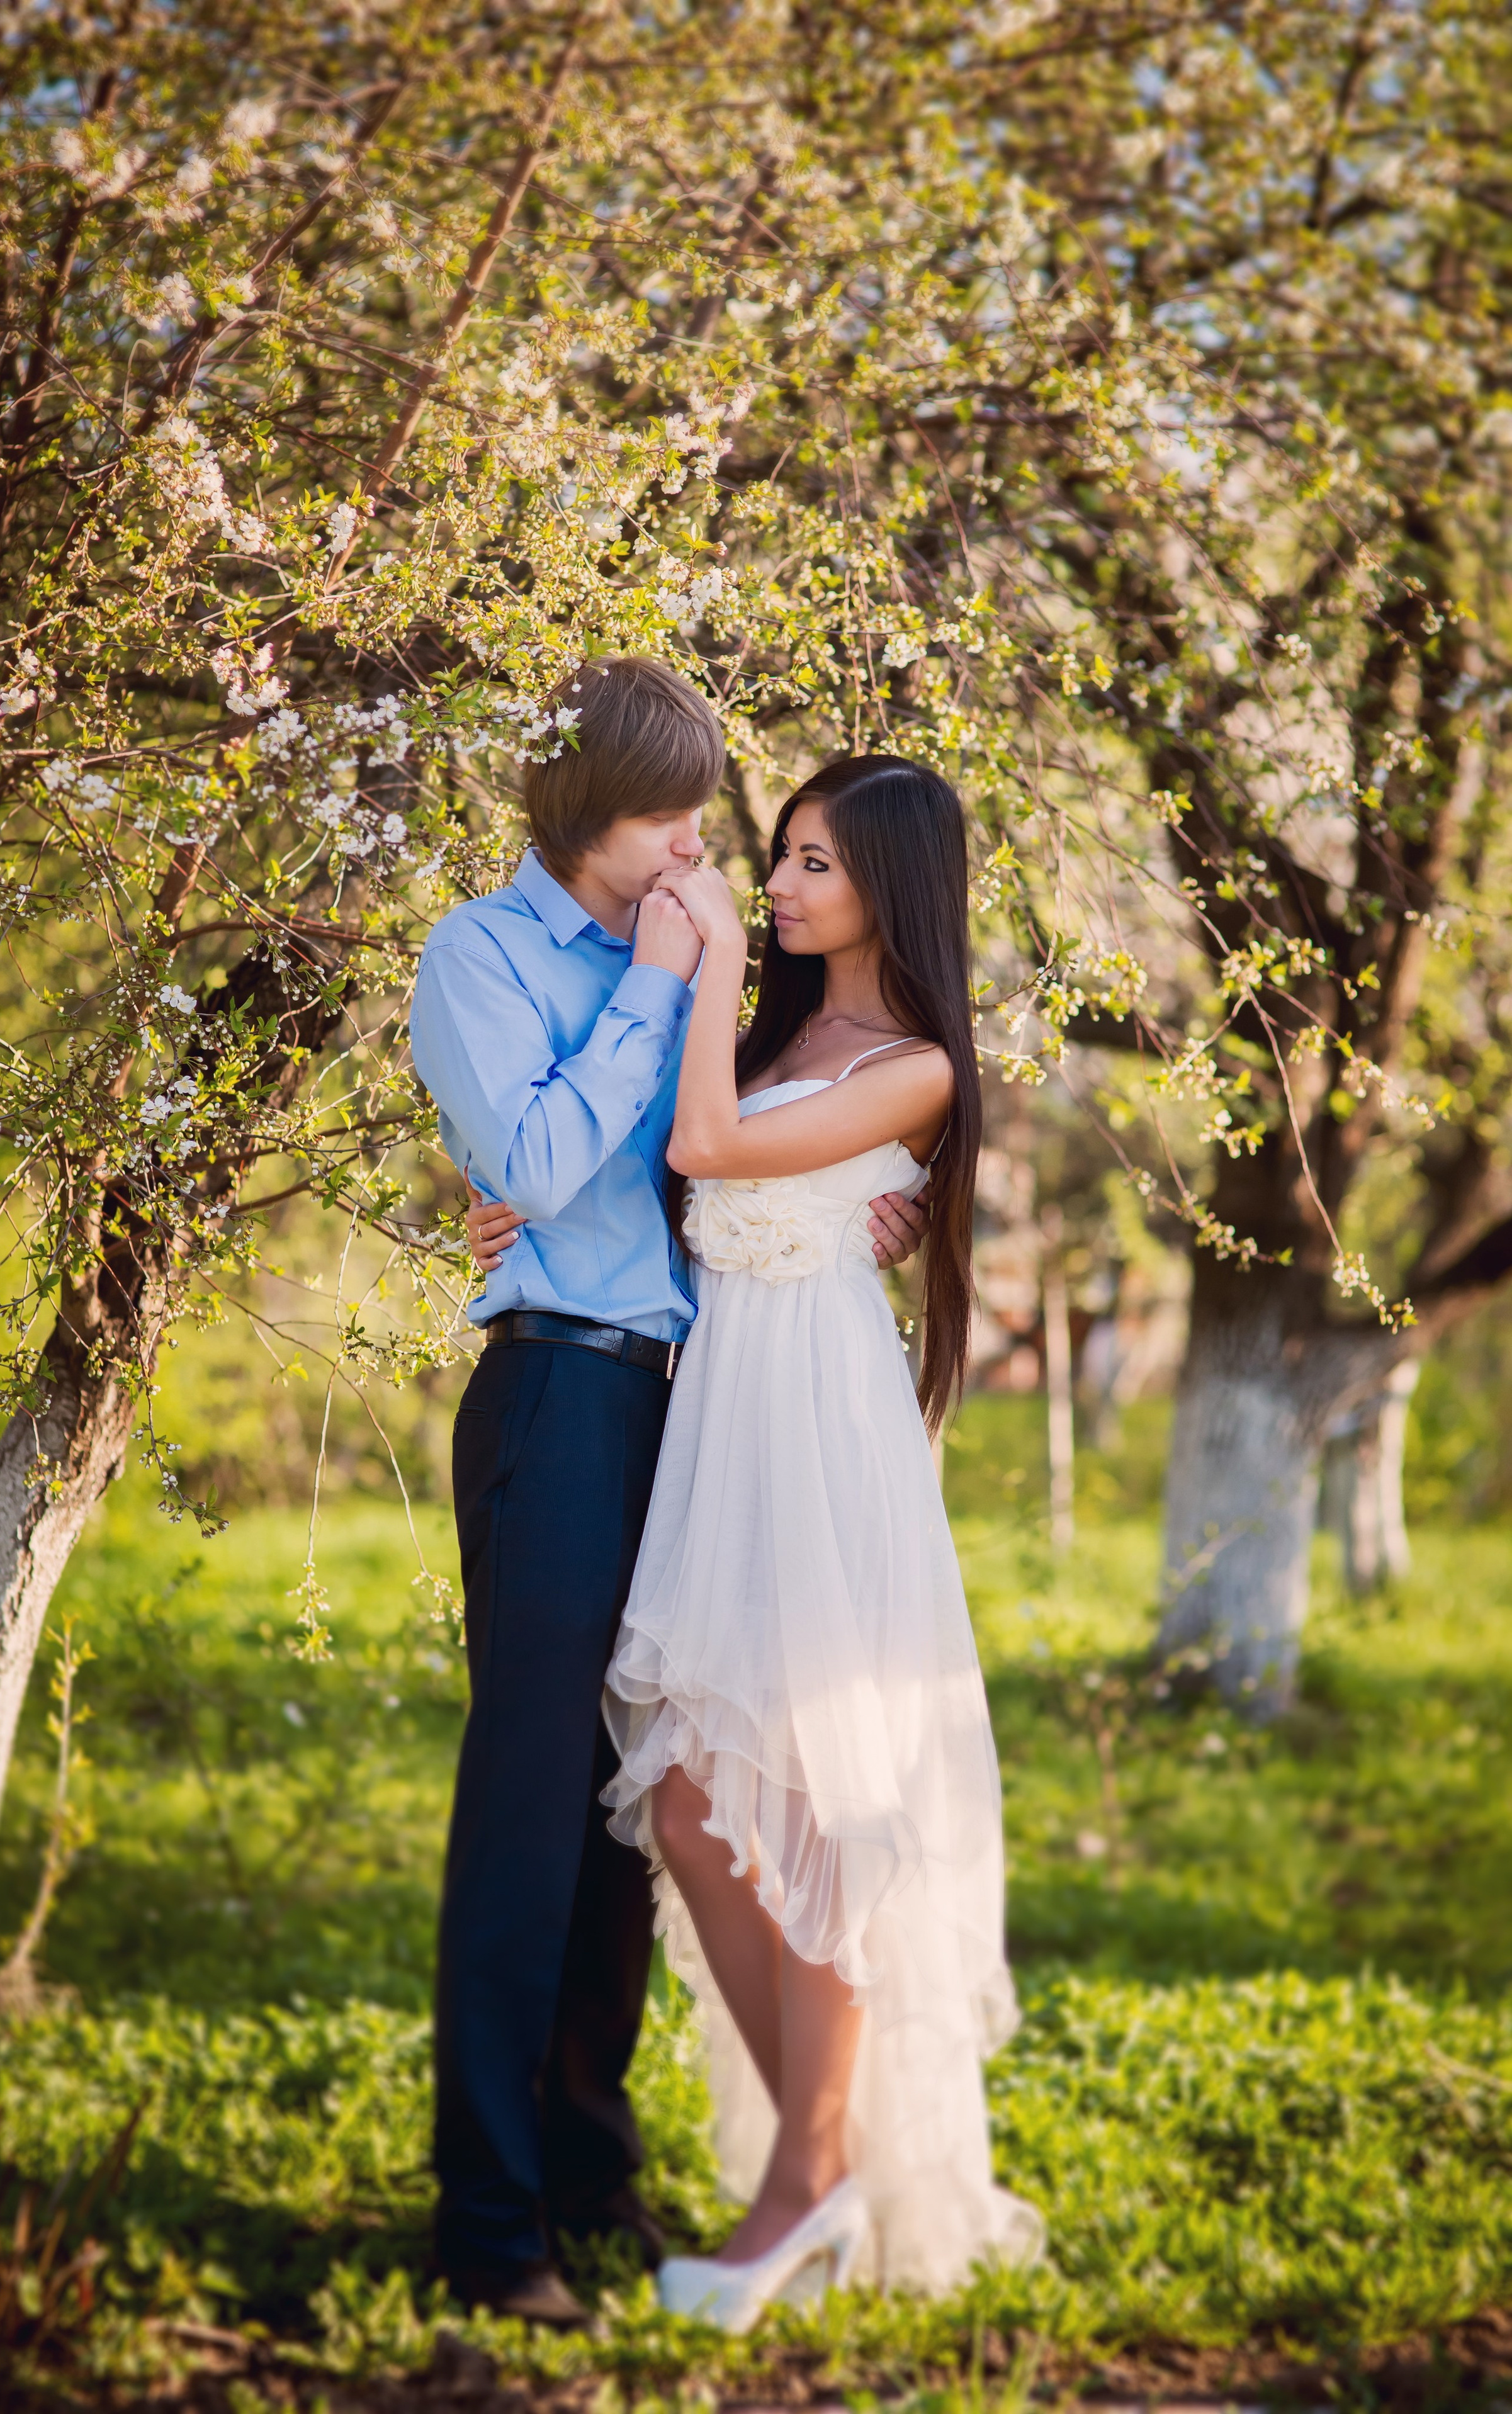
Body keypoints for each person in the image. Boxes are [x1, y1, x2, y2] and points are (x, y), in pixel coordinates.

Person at [410, 660, 928, 2327]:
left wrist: (871, 1205)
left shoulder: (712, 955)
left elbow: (765, 1129)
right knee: (531, 1804)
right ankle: (491, 2226)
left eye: (713, 820)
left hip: (700, 1414)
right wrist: (647, 988)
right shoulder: (481, 955)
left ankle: (590, 2168)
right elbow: (549, 1169)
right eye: (671, 818)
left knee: (637, 1802)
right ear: (588, 817)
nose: (700, 850)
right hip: (561, 1386)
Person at [599, 755, 1042, 2329]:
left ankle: (803, 2181)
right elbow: (663, 1165)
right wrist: (501, 1205)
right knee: (698, 1800)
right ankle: (827, 2154)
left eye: (811, 869)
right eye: (776, 861)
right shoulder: (782, 1038)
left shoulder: (915, 1064)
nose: (777, 890)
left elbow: (710, 1151)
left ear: (887, 891)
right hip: (726, 1415)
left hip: (820, 1431)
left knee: (820, 1788)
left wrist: (712, 952)